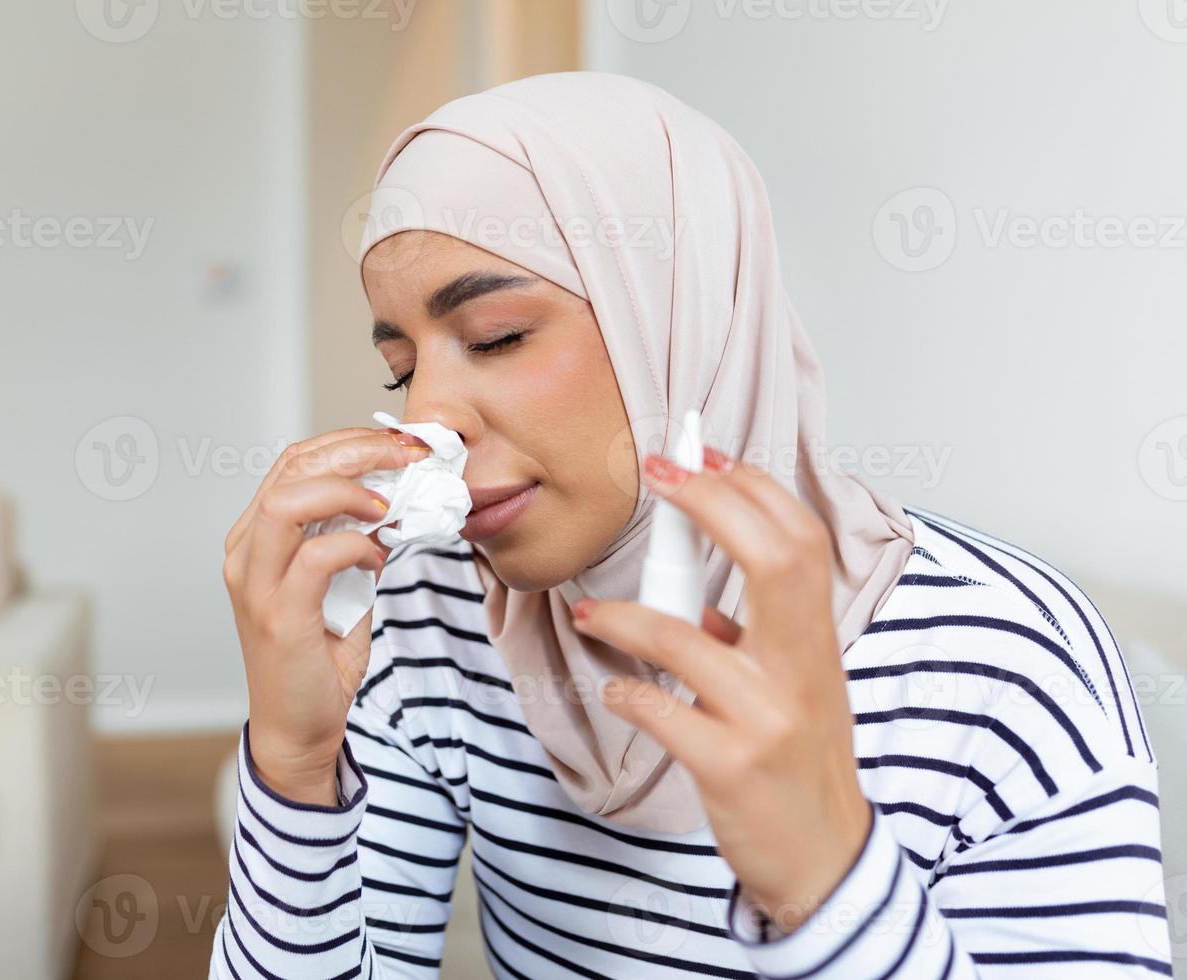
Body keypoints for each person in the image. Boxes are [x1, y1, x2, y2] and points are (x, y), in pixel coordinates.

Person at [213, 72, 1170, 978]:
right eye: (400, 368)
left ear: (681, 319)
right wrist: (294, 770)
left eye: (497, 336)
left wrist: (828, 888)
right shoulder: (434, 609)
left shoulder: (1003, 663)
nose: (431, 418)